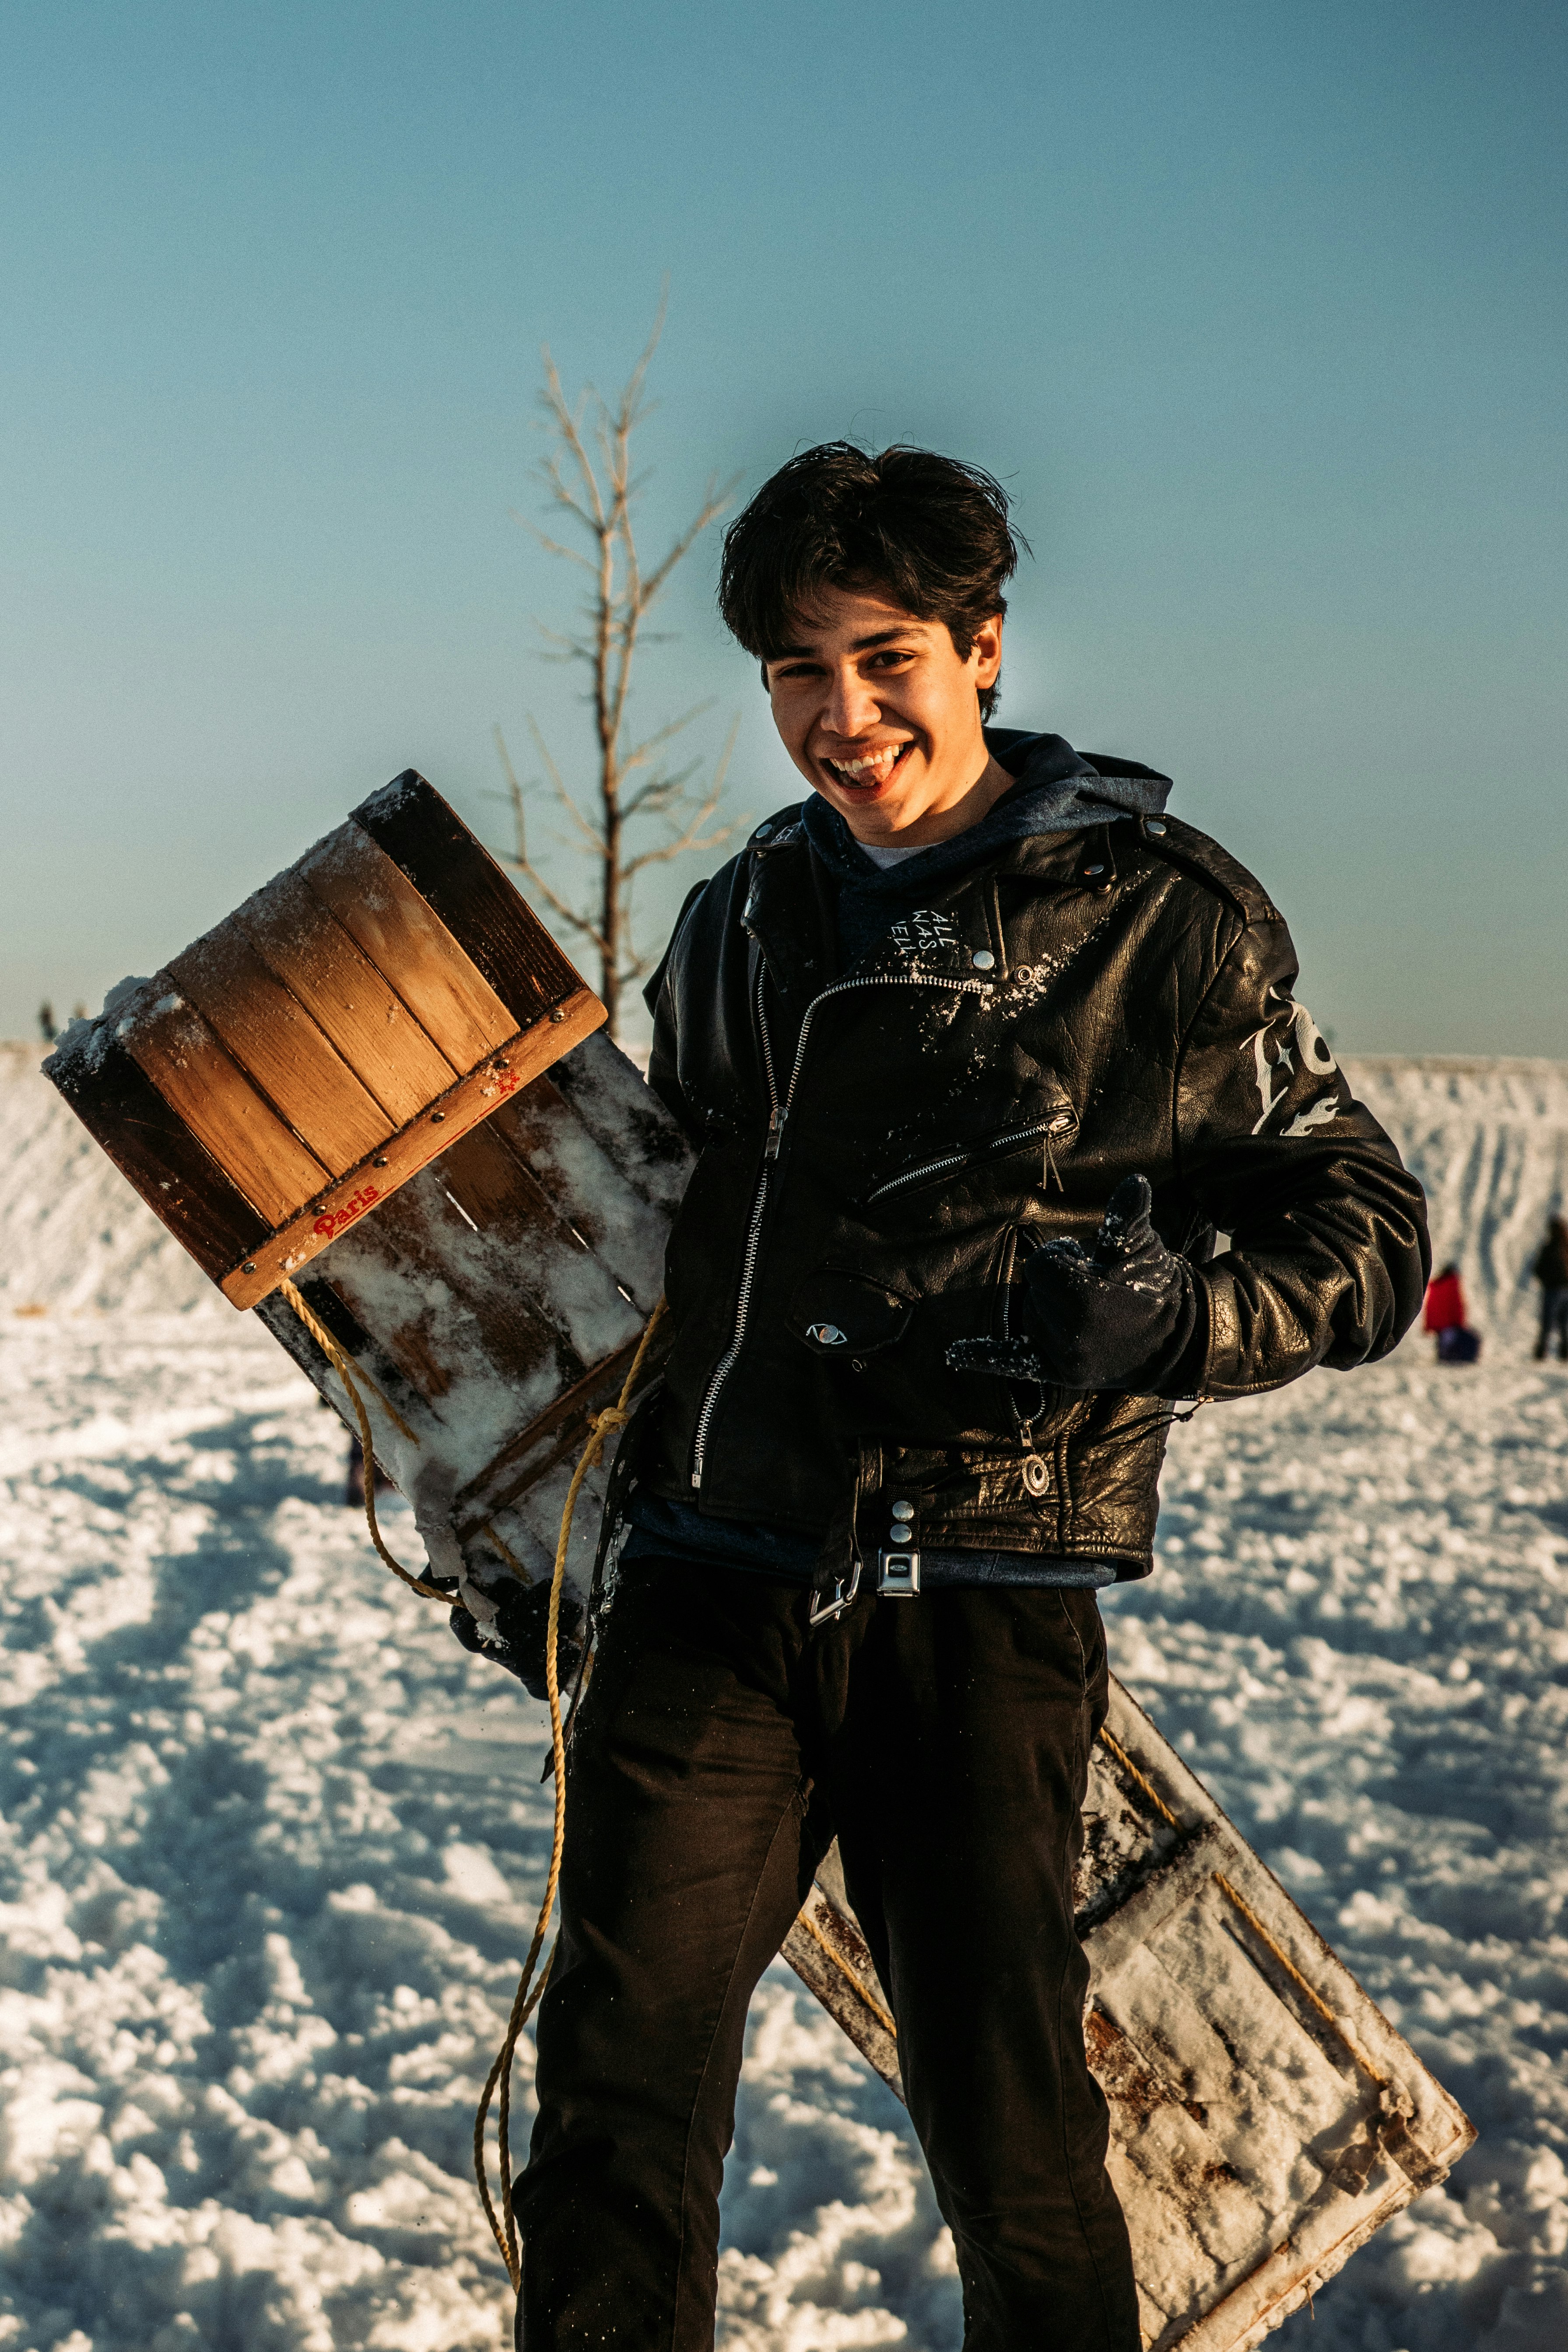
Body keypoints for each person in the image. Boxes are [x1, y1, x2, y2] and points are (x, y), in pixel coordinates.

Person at [506, 444, 1430, 2352]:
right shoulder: (744, 917)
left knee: (1007, 2128)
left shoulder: (1153, 917)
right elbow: (668, 1208)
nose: (839, 719)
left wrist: (1167, 1320)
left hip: (978, 1593)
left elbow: (1362, 1221)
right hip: (710, 1566)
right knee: (614, 2093)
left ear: (983, 647)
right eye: (792, 673)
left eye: (883, 658)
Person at [1424, 1261, 1480, 1364]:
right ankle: (1456, 1357)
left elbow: (1430, 1308)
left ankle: (1445, 1355)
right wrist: (1459, 1323)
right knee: (1472, 1340)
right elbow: (1456, 1305)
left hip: (1439, 1328)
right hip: (1451, 1325)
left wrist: (1428, 1326)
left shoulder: (1436, 1286)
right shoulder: (1452, 1283)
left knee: (1446, 1343)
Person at [1533, 1214, 1568, 1362]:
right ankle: (1564, 1352)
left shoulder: (1549, 1248)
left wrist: (1547, 1280)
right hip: (1564, 1290)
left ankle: (1542, 1352)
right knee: (1563, 1324)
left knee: (1548, 1323)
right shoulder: (1565, 1248)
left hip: (1553, 1291)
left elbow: (1538, 1269)